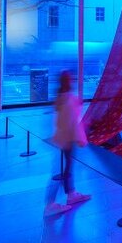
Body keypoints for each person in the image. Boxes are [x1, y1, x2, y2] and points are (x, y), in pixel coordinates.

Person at [44, 71, 92, 216]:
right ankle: (50, 204)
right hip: (67, 140)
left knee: (65, 168)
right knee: (61, 170)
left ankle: (71, 193)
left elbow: (61, 120)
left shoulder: (61, 98)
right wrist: (81, 139)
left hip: (61, 139)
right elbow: (73, 123)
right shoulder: (70, 99)